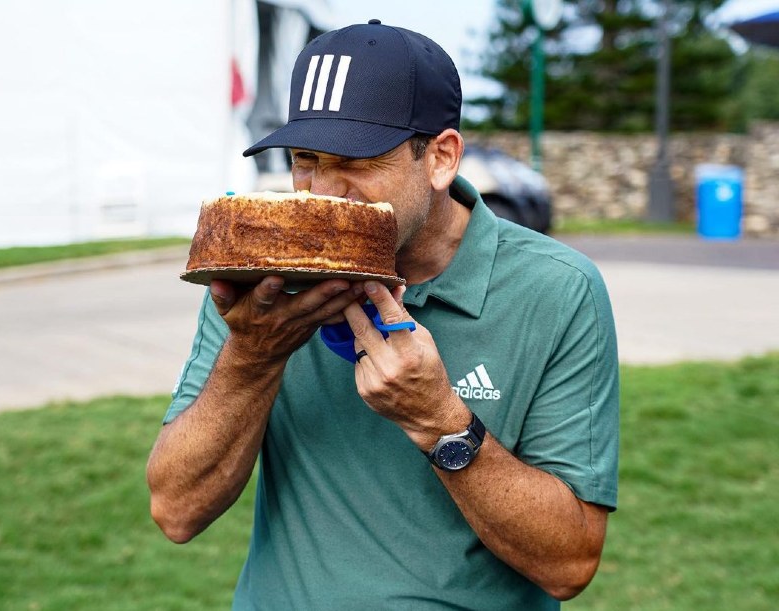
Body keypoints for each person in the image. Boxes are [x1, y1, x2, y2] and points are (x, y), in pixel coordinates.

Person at [147, 19, 619, 610]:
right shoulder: (259, 282)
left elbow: (569, 565)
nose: (322, 191)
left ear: (441, 158)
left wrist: (439, 419)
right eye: (305, 158)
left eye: (356, 159)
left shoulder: (558, 289)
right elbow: (176, 511)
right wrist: (253, 355)